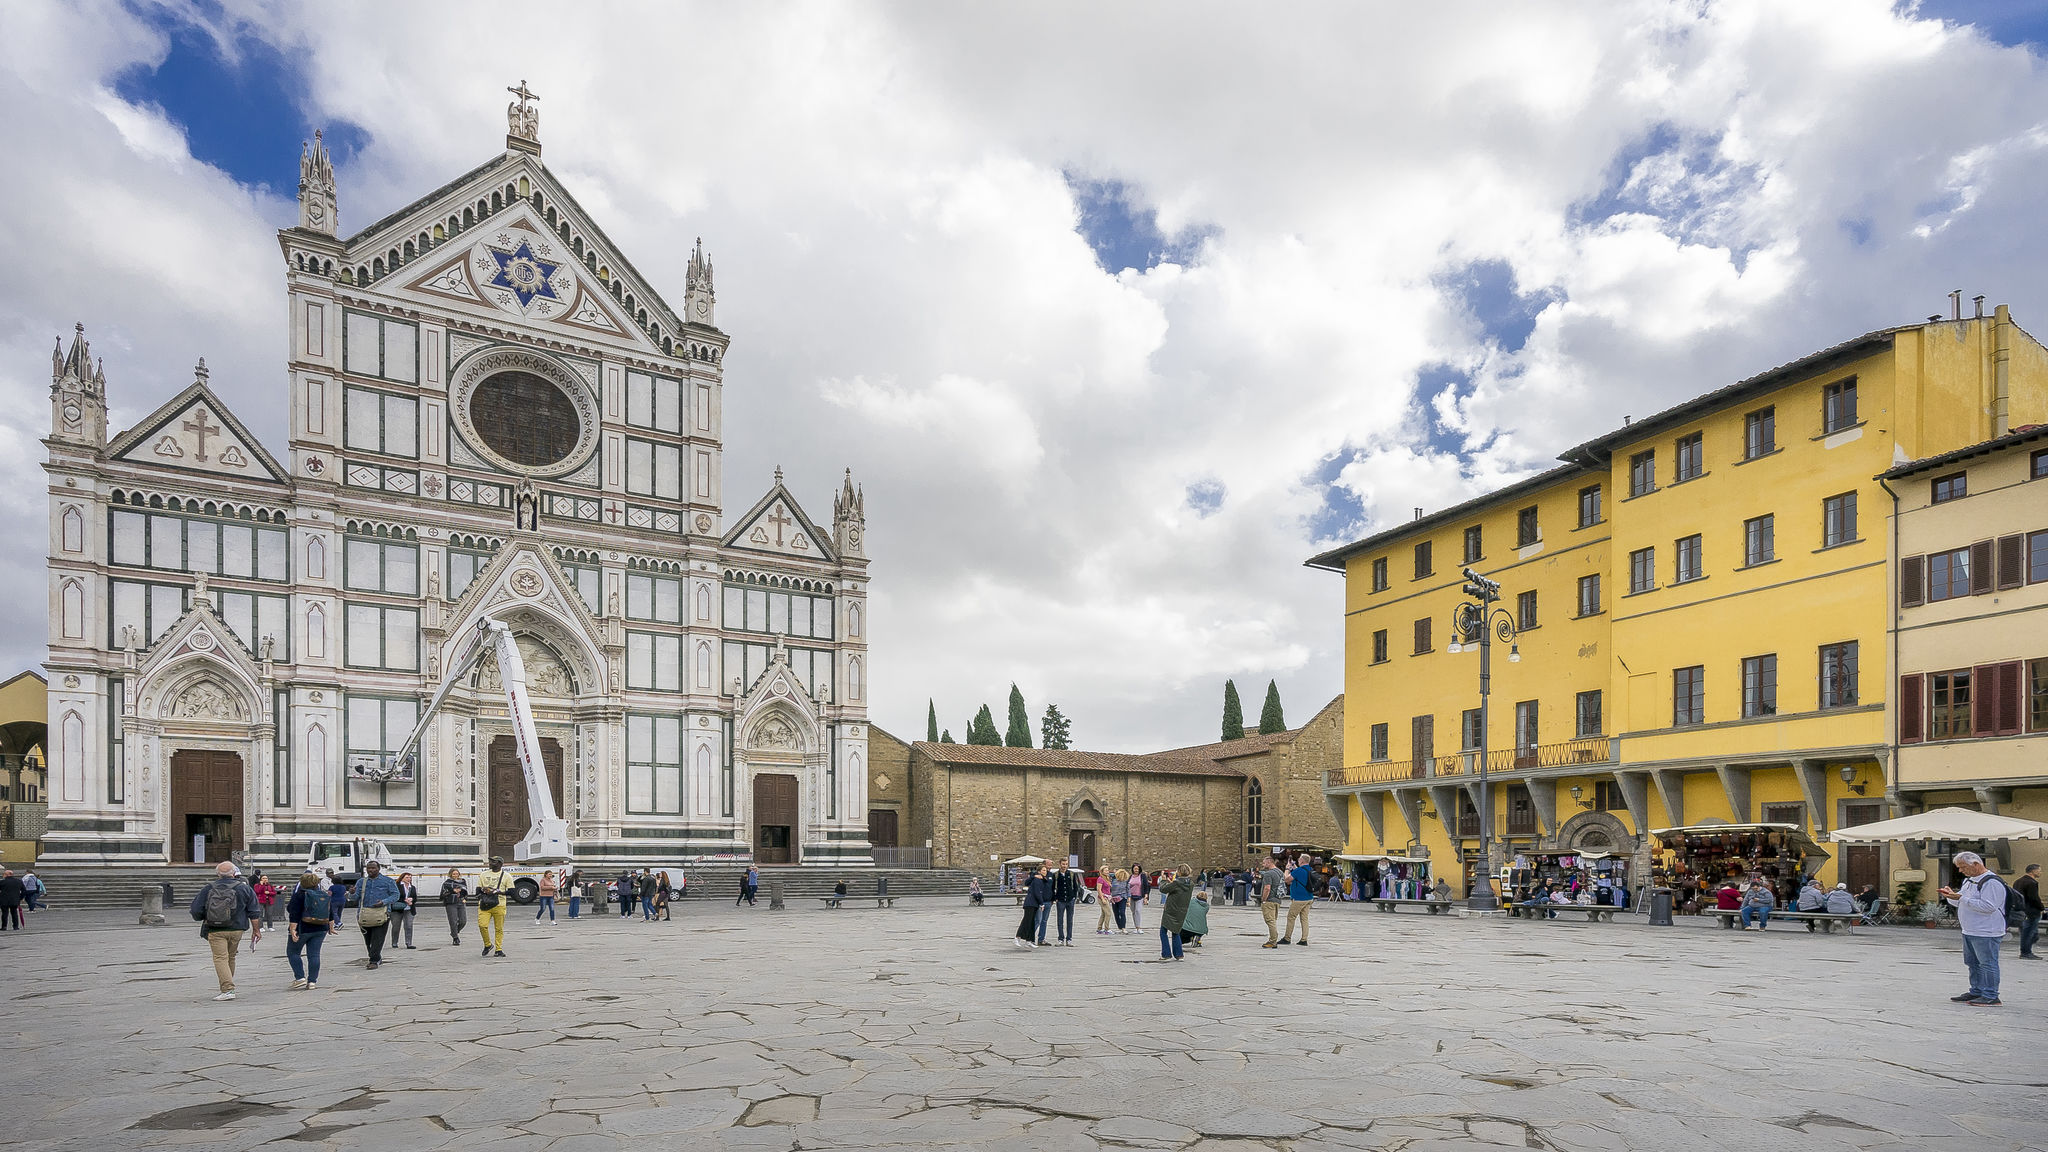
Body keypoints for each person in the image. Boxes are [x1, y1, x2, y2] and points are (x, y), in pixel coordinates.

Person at [1941, 851, 2009, 1005]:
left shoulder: (1991, 882)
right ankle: (1976, 990)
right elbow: (1961, 902)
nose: (1960, 870)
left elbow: (1989, 906)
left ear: (1976, 864)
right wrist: (1952, 896)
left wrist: (1961, 898)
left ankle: (1991, 995)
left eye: (1963, 867)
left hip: (1986, 931)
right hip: (1969, 929)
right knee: (1972, 962)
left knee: (1987, 963)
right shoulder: (1969, 881)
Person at [188, 861, 259, 1001]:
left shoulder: (209, 888)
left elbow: (196, 910)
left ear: (218, 874)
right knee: (230, 957)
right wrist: (256, 930)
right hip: (237, 928)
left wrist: (205, 917)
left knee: (220, 958)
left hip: (215, 929)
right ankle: (227, 987)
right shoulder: (244, 888)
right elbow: (254, 911)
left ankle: (227, 989)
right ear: (234, 873)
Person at [286, 872, 340, 990]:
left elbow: (293, 913)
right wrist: (331, 927)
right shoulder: (323, 894)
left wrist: (293, 929)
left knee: (293, 952)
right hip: (321, 928)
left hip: (303, 928)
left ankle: (300, 977)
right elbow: (329, 912)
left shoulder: (299, 895)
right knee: (314, 955)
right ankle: (312, 981)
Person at [355, 859, 401, 970]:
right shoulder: (361, 882)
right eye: (368, 868)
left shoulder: (388, 881)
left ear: (378, 869)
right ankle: (376, 956)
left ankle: (374, 960)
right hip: (365, 914)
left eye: (373, 868)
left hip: (382, 914)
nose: (370, 870)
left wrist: (383, 902)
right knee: (368, 939)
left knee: (378, 938)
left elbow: (396, 895)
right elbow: (355, 897)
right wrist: (351, 893)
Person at [475, 856, 514, 958]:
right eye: (490, 861)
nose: (490, 863)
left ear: (500, 864)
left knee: (499, 928)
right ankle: (488, 944)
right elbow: (477, 891)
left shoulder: (507, 876)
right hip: (485, 904)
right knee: (482, 925)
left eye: (493, 862)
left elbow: (512, 892)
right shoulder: (483, 874)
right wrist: (484, 891)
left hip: (500, 904)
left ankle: (498, 949)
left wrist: (499, 891)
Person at [1157, 865, 1194, 961]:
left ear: (1179, 872)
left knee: (1163, 931)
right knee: (1176, 931)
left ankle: (1166, 954)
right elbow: (1178, 890)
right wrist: (1171, 883)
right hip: (1181, 911)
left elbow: (1163, 889)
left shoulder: (1177, 883)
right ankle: (1179, 954)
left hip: (1170, 910)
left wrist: (1163, 880)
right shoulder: (1190, 884)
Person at [1282, 854, 1314, 945]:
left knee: (1291, 917)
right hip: (1309, 897)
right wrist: (1294, 866)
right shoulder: (1309, 869)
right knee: (1304, 919)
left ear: (1302, 861)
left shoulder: (1299, 871)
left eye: (1299, 859)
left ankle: (1287, 938)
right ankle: (1304, 939)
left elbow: (1287, 880)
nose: (1298, 860)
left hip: (1299, 898)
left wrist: (1287, 869)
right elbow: (1300, 873)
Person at [1014, 865, 1048, 949]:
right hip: (1030, 903)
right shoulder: (1037, 880)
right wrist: (1041, 903)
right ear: (1039, 871)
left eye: (1045, 870)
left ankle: (1029, 940)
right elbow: (1037, 892)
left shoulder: (1041, 880)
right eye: (1043, 870)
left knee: (1032, 922)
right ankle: (1017, 938)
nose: (1045, 872)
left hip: (1034, 904)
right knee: (1026, 921)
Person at [1257, 855, 1287, 948]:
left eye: (1264, 862)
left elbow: (1267, 888)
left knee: (1270, 921)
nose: (1263, 864)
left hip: (1269, 900)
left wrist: (1263, 899)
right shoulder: (1280, 872)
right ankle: (1273, 939)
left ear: (1269, 862)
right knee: (1273, 920)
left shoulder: (1268, 874)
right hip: (1277, 900)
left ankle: (1273, 941)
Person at [2016, 863, 2041, 960]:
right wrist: (2041, 908)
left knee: (2027, 932)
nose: (2040, 872)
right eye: (2039, 870)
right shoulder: (2031, 883)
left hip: (2021, 911)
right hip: (2031, 911)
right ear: (2033, 871)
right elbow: (2034, 898)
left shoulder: (2018, 881)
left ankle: (2025, 950)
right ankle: (2026, 952)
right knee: (2029, 932)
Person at [1052, 863, 1081, 947]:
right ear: (1060, 864)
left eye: (1066, 864)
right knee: (1060, 920)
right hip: (1060, 900)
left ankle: (1069, 939)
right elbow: (1053, 887)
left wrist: (1074, 897)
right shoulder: (1056, 875)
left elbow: (1076, 886)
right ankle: (1060, 938)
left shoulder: (1071, 874)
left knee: (1070, 920)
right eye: (1063, 864)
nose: (1064, 866)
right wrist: (1055, 898)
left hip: (1070, 899)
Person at [392, 872, 419, 950]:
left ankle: (409, 943)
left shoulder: (412, 887)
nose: (409, 879)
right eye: (407, 877)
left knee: (409, 926)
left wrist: (412, 900)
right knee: (396, 926)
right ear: (402, 878)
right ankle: (394, 942)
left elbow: (415, 898)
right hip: (398, 909)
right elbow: (394, 897)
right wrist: (404, 900)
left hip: (409, 909)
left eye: (410, 877)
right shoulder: (397, 886)